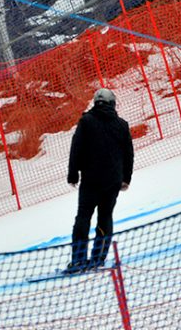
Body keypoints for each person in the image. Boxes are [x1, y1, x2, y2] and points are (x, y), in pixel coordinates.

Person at [65, 88, 134, 273]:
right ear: (113, 103)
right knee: (105, 217)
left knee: (83, 217)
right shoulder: (121, 125)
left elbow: (76, 148)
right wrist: (126, 178)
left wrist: (73, 174)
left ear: (96, 102)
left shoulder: (86, 122)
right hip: (113, 181)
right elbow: (129, 153)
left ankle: (79, 259)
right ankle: (99, 257)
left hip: (91, 180)